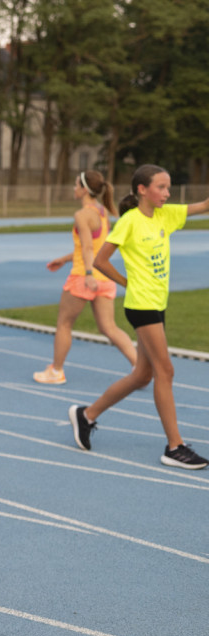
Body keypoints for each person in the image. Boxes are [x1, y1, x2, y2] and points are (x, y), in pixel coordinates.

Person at [69, 164, 208, 470]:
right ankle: (175, 447)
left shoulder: (166, 215)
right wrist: (125, 282)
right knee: (165, 371)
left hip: (158, 304)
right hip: (141, 305)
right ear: (142, 189)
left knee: (143, 375)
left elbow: (205, 205)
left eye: (168, 187)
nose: (167, 193)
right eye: (161, 187)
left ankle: (86, 415)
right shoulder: (130, 221)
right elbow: (101, 260)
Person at [34, 171, 136, 384]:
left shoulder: (82, 215)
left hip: (84, 277)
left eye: (75, 185)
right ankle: (141, 367)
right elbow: (92, 249)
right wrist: (63, 259)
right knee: (109, 328)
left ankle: (56, 371)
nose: (73, 189)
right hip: (105, 278)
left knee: (64, 325)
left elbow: (89, 247)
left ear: (83, 189)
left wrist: (89, 274)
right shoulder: (102, 213)